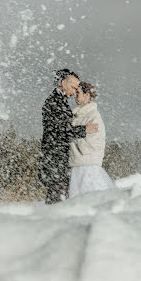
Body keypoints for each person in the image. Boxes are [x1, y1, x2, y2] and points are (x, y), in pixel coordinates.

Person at [38, 69, 98, 204]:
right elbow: (61, 131)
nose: (74, 91)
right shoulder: (54, 102)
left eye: (76, 89)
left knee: (58, 200)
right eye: (73, 87)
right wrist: (84, 130)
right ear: (63, 82)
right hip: (55, 161)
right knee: (57, 203)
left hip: (57, 162)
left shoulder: (60, 101)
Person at [69, 82, 115, 198]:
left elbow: (92, 144)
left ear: (87, 95)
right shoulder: (79, 116)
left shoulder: (94, 117)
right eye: (75, 93)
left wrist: (72, 138)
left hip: (87, 168)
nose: (75, 96)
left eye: (78, 93)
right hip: (78, 166)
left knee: (92, 201)